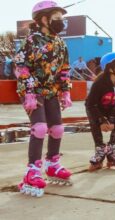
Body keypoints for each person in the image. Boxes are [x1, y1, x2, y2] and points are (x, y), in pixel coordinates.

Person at [15, 1, 72, 197]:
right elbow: (20, 66)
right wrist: (29, 91)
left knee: (57, 129)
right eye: (57, 19)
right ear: (43, 19)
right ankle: (32, 170)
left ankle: (52, 163)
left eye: (61, 19)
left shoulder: (61, 44)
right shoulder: (32, 40)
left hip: (51, 91)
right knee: (39, 128)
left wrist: (65, 91)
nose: (61, 22)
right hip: (32, 90)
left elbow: (64, 69)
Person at [85, 52, 115, 172]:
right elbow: (90, 104)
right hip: (96, 111)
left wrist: (112, 119)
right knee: (94, 121)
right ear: (110, 68)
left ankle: (111, 148)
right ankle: (99, 149)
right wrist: (101, 120)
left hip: (112, 112)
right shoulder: (99, 84)